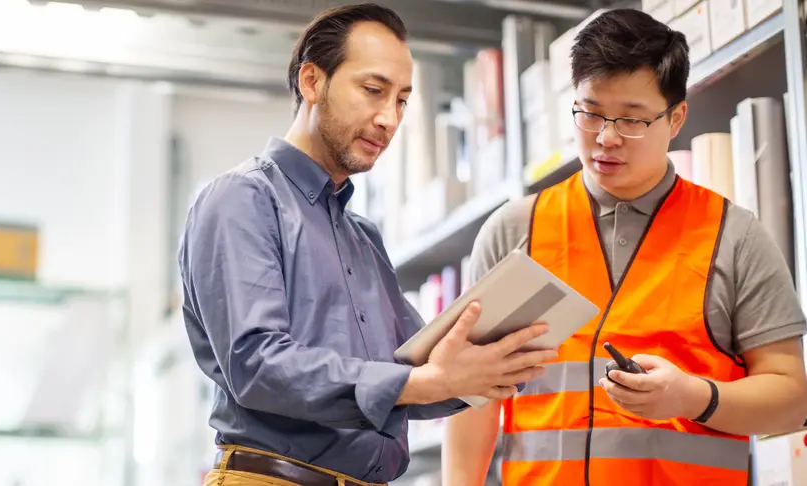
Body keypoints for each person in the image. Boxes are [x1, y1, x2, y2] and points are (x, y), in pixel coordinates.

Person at [178, 3, 558, 486]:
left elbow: (411, 370)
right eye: (373, 91)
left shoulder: (362, 237)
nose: (388, 118)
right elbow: (256, 364)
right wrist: (422, 382)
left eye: (401, 100)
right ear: (311, 82)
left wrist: (488, 364)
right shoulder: (243, 198)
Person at [441, 8, 807, 486]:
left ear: (676, 118)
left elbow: (792, 400)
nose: (606, 138)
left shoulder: (733, 237)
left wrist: (695, 398)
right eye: (590, 112)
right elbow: (473, 394)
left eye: (632, 120)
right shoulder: (516, 230)